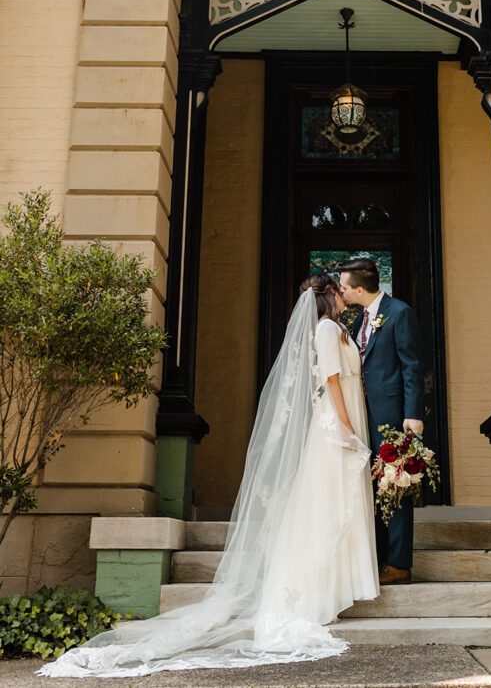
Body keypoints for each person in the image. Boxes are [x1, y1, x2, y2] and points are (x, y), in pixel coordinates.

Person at [38, 275, 378, 678]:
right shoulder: (324, 329)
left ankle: (336, 586)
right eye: (339, 292)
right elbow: (331, 381)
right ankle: (317, 593)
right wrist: (344, 425)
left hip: (347, 418)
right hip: (334, 426)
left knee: (338, 502)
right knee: (327, 502)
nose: (344, 296)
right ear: (328, 297)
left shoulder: (339, 330)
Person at [337, 257, 424, 586]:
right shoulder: (360, 318)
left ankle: (400, 564)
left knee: (397, 485)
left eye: (344, 286)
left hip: (394, 417)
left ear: (359, 288)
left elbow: (411, 366)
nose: (341, 291)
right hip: (365, 415)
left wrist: (412, 414)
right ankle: (378, 557)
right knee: (374, 486)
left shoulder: (399, 313)